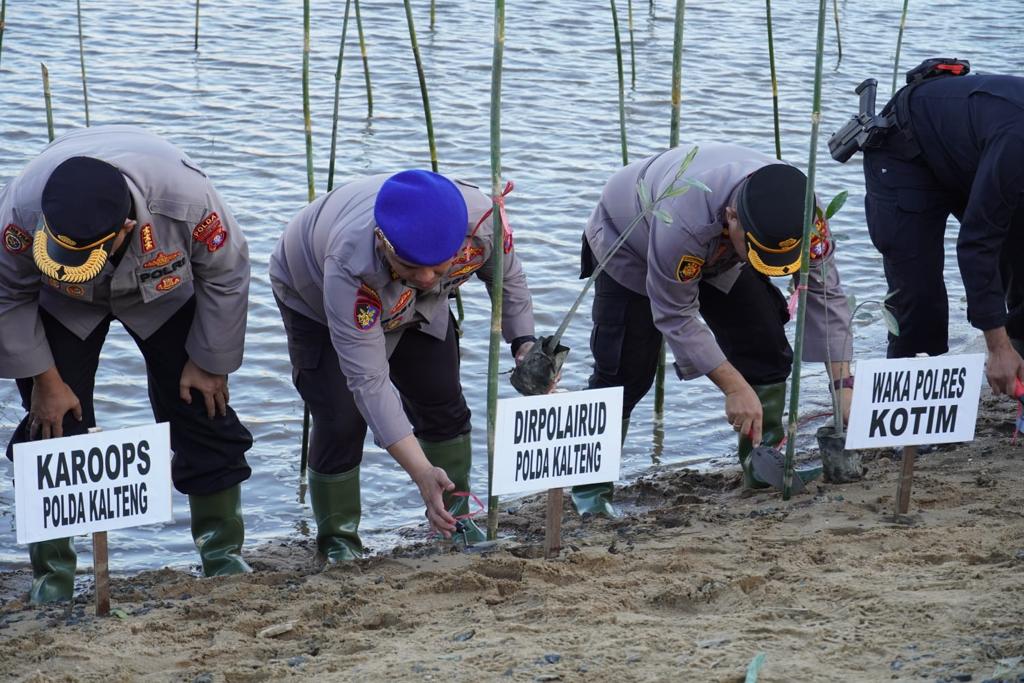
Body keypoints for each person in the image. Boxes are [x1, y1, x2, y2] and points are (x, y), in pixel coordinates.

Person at [0, 126, 255, 603]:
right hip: (63, 299)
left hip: (160, 286)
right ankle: (52, 575)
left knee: (203, 406)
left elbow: (226, 272)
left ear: (125, 232)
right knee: (53, 424)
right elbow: (7, 294)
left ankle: (221, 553)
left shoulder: (189, 200)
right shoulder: (20, 211)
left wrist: (209, 361)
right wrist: (46, 379)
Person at [574, 143, 854, 518]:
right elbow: (676, 314)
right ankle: (591, 490)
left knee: (765, 341)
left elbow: (826, 293)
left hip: (724, 256)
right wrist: (733, 388)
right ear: (732, 218)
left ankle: (762, 462)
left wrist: (843, 386)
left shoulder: (804, 213)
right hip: (632, 241)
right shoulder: (684, 221)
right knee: (625, 369)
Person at [270, 169, 538, 560]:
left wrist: (524, 343)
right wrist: (420, 473)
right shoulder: (349, 262)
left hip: (418, 310)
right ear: (383, 241)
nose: (428, 278)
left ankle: (454, 517)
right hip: (315, 296)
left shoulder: (483, 222)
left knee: (441, 395)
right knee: (341, 417)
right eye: (412, 265)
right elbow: (369, 381)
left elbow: (508, 278)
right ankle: (339, 541)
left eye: (439, 265)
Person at [857, 64, 1024, 394]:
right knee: (919, 298)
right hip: (905, 149)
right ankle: (912, 423)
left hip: (973, 152)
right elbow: (978, 242)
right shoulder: (1018, 141)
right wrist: (997, 346)